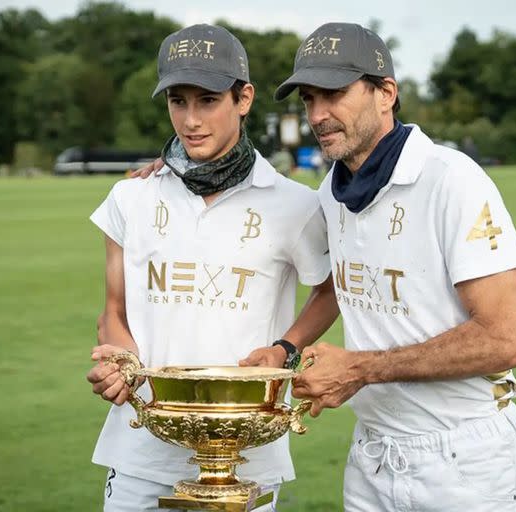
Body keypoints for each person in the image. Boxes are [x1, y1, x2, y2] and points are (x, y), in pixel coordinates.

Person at [274, 22, 516, 511]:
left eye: (334, 94)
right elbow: (333, 286)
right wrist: (173, 163)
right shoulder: (333, 190)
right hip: (372, 455)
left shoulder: (452, 180)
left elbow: (506, 339)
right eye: (308, 98)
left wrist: (361, 370)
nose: (318, 115)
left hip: (464, 456)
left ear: (385, 93)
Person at [85, 23, 339, 512]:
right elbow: (112, 312)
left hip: (247, 457)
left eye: (207, 100)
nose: (190, 120)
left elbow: (329, 290)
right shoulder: (130, 197)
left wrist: (287, 347)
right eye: (178, 101)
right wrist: (120, 360)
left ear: (244, 99)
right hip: (141, 448)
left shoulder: (296, 205)